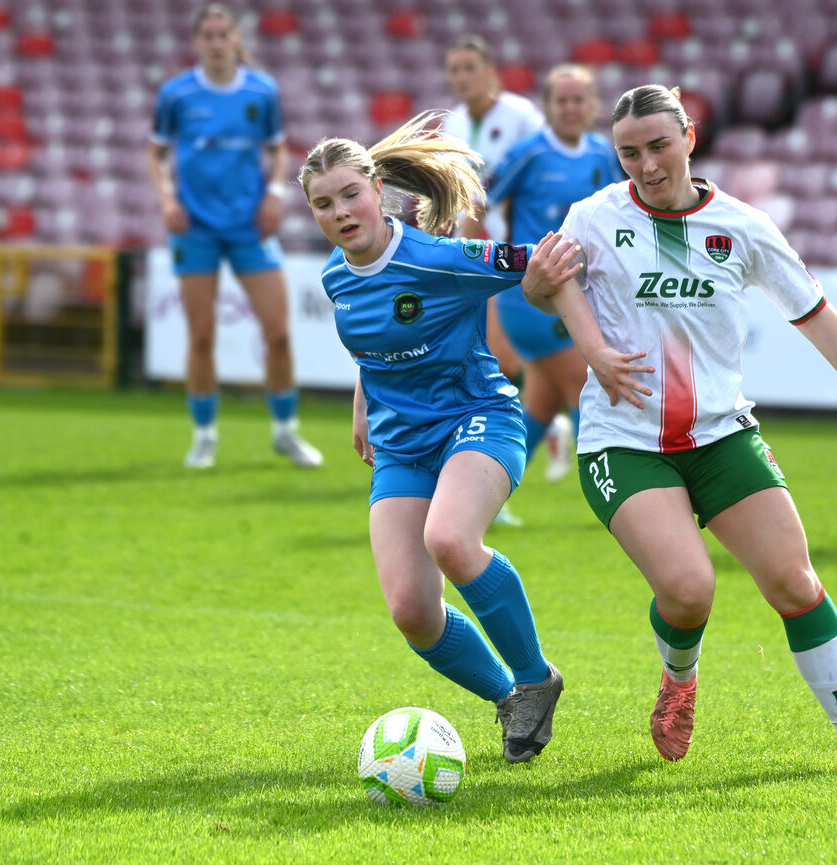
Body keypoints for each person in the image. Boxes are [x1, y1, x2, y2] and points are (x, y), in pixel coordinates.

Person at [521, 84, 837, 771]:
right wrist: (542, 292)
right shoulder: (593, 217)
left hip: (721, 435)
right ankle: (679, 681)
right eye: (629, 153)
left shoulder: (742, 224)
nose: (647, 165)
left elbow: (813, 309)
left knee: (795, 582)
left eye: (658, 145)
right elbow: (542, 287)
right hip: (622, 441)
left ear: (689, 135)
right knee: (688, 589)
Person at [298, 112, 563, 763]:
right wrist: (362, 399)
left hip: (479, 417)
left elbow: (543, 263)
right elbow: (373, 337)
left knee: (449, 537)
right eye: (323, 204)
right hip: (399, 442)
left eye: (349, 194)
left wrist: (574, 318)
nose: (340, 211)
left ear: (377, 185)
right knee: (413, 610)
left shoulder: (440, 258)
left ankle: (535, 676)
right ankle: (511, 699)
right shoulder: (336, 274)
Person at [148, 2, 323, 470]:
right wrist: (166, 199)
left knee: (280, 333)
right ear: (197, 41)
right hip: (196, 228)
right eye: (208, 35)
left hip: (250, 226)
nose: (217, 42)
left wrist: (273, 194)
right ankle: (204, 435)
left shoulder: (261, 90)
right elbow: (157, 153)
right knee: (201, 336)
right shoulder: (176, 94)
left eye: (223, 34)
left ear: (234, 39)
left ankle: (286, 431)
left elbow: (278, 148)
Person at [483, 64, 624, 482]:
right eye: (561, 100)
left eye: (578, 99)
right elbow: (477, 198)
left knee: (541, 406)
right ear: (547, 106)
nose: (569, 108)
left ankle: (481, 490)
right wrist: (480, 261)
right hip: (532, 293)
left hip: (581, 292)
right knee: (588, 385)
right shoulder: (529, 152)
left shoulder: (602, 153)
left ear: (593, 105)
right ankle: (612, 490)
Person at [442, 34, 544, 403]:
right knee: (485, 351)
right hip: (465, 248)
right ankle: (539, 422)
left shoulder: (522, 117)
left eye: (470, 68)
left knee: (505, 355)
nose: (462, 77)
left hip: (511, 247)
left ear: (490, 72)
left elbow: (539, 175)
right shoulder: (450, 124)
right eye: (454, 70)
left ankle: (532, 421)